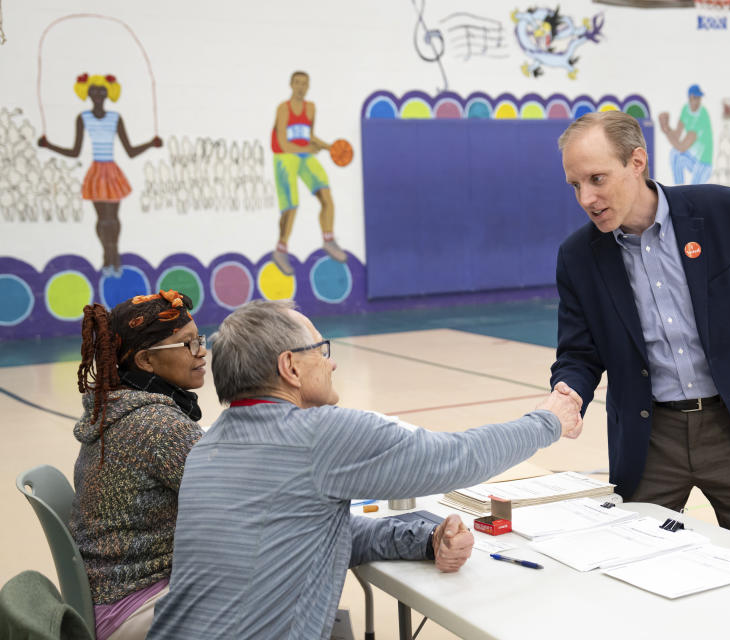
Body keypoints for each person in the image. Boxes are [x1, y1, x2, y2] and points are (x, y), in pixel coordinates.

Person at [147, 300, 583, 639]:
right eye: (321, 350)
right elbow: (455, 458)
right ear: (290, 367)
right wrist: (549, 421)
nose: (332, 362)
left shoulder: (208, 447)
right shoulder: (319, 435)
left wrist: (425, 538)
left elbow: (306, 532)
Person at [550, 111, 730, 549]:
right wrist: (566, 391)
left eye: (596, 178)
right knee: (637, 566)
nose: (586, 198)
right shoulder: (578, 257)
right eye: (575, 185)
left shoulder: (725, 212)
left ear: (637, 162)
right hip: (651, 438)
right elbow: (579, 353)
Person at [71, 290, 206, 640]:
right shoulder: (159, 426)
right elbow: (236, 496)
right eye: (187, 344)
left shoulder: (115, 410)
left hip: (107, 599)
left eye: (200, 340)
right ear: (146, 361)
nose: (202, 352)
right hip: (134, 607)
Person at [38, 73, 162, 276]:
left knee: (113, 218)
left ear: (108, 93)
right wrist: (49, 145)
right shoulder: (83, 118)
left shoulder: (115, 118)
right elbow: (75, 151)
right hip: (96, 172)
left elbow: (129, 150)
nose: (97, 94)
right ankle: (108, 255)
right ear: (87, 93)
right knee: (103, 219)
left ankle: (114, 255)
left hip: (111, 172)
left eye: (101, 90)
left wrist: (151, 144)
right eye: (93, 90)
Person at [270, 70, 347, 274]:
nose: (301, 87)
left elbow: (309, 135)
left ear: (309, 86)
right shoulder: (283, 109)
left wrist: (329, 147)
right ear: (291, 84)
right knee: (292, 205)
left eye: (305, 83)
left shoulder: (311, 108)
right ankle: (281, 248)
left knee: (326, 194)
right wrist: (307, 149)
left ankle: (329, 239)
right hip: (284, 156)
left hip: (304, 156)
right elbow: (284, 144)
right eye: (297, 82)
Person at [658, 84, 713, 185]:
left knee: (694, 194)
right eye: (696, 97)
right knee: (674, 154)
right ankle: (678, 187)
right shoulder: (685, 110)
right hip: (694, 159)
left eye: (699, 98)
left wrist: (666, 131)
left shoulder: (702, 115)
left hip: (703, 164)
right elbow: (677, 135)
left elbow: (682, 147)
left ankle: (680, 191)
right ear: (690, 98)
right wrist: (666, 128)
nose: (698, 101)